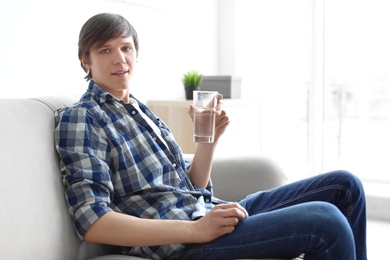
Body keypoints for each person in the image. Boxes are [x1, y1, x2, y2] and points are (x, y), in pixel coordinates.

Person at [54, 12, 367, 260]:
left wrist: (208, 141)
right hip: (180, 242)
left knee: (345, 186)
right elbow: (92, 221)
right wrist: (195, 231)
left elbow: (191, 188)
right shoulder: (83, 117)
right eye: (105, 50)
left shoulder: (141, 110)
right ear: (86, 59)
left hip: (204, 211)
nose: (120, 59)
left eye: (126, 48)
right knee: (324, 221)